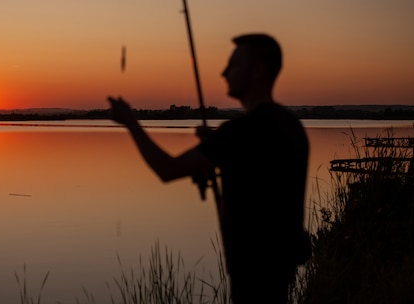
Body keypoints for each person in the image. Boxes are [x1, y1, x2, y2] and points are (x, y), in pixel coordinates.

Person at [108, 33, 311, 303]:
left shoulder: (240, 133)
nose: (224, 72)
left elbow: (167, 169)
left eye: (234, 65)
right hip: (280, 268)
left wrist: (131, 123)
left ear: (259, 71)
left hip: (252, 270)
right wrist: (217, 150)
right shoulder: (290, 126)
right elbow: (263, 179)